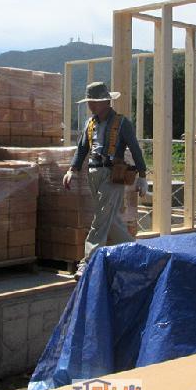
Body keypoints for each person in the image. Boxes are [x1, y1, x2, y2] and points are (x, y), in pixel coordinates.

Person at [63, 81, 148, 280]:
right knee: (110, 221)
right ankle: (135, 252)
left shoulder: (122, 123)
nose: (91, 105)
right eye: (89, 101)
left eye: (94, 101)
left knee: (101, 218)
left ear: (106, 101)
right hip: (93, 174)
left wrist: (143, 176)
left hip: (112, 175)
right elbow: (82, 149)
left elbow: (135, 149)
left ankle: (88, 261)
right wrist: (72, 170)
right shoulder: (90, 123)